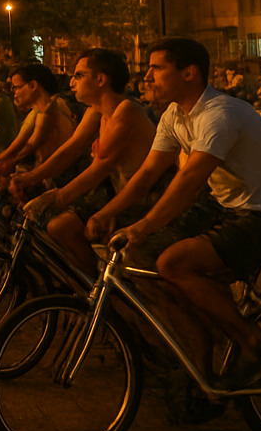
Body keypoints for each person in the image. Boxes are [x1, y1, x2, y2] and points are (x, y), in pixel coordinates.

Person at [87, 37, 261, 387]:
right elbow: (148, 173)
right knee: (135, 258)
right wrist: (104, 214)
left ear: (189, 73)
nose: (147, 76)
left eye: (157, 68)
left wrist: (143, 224)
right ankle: (196, 345)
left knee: (173, 262)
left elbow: (189, 178)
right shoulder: (174, 115)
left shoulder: (221, 114)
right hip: (223, 208)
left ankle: (256, 344)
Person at [21, 49, 160, 277]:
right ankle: (91, 288)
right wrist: (31, 178)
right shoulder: (97, 110)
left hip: (143, 200)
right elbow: (70, 149)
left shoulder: (125, 111)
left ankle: (98, 291)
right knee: (59, 227)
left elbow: (100, 167)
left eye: (78, 75)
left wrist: (58, 198)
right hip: (118, 193)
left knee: (63, 226)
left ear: (101, 79)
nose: (71, 82)